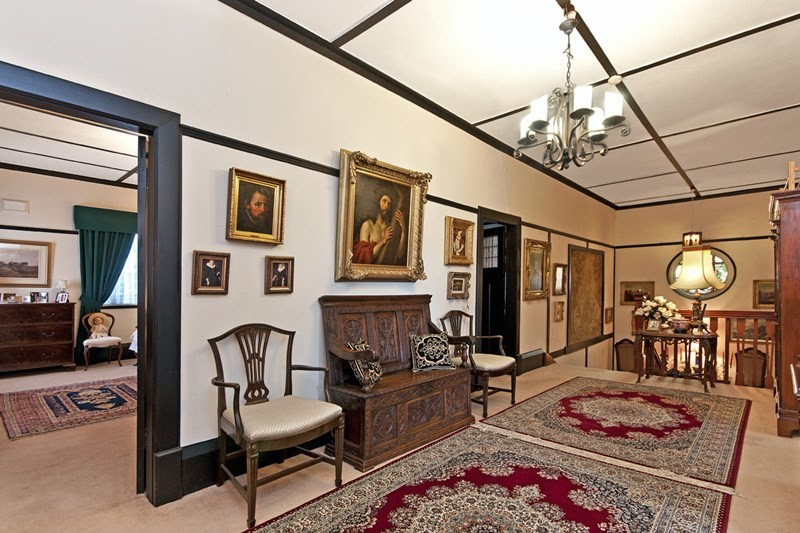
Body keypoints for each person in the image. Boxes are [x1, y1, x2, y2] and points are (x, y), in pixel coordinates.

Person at [353, 193, 406, 265]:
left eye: (389, 204)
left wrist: (403, 228)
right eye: (384, 201)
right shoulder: (368, 225)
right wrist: (383, 240)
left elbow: (400, 254)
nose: (386, 206)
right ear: (377, 203)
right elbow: (364, 256)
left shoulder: (391, 227)